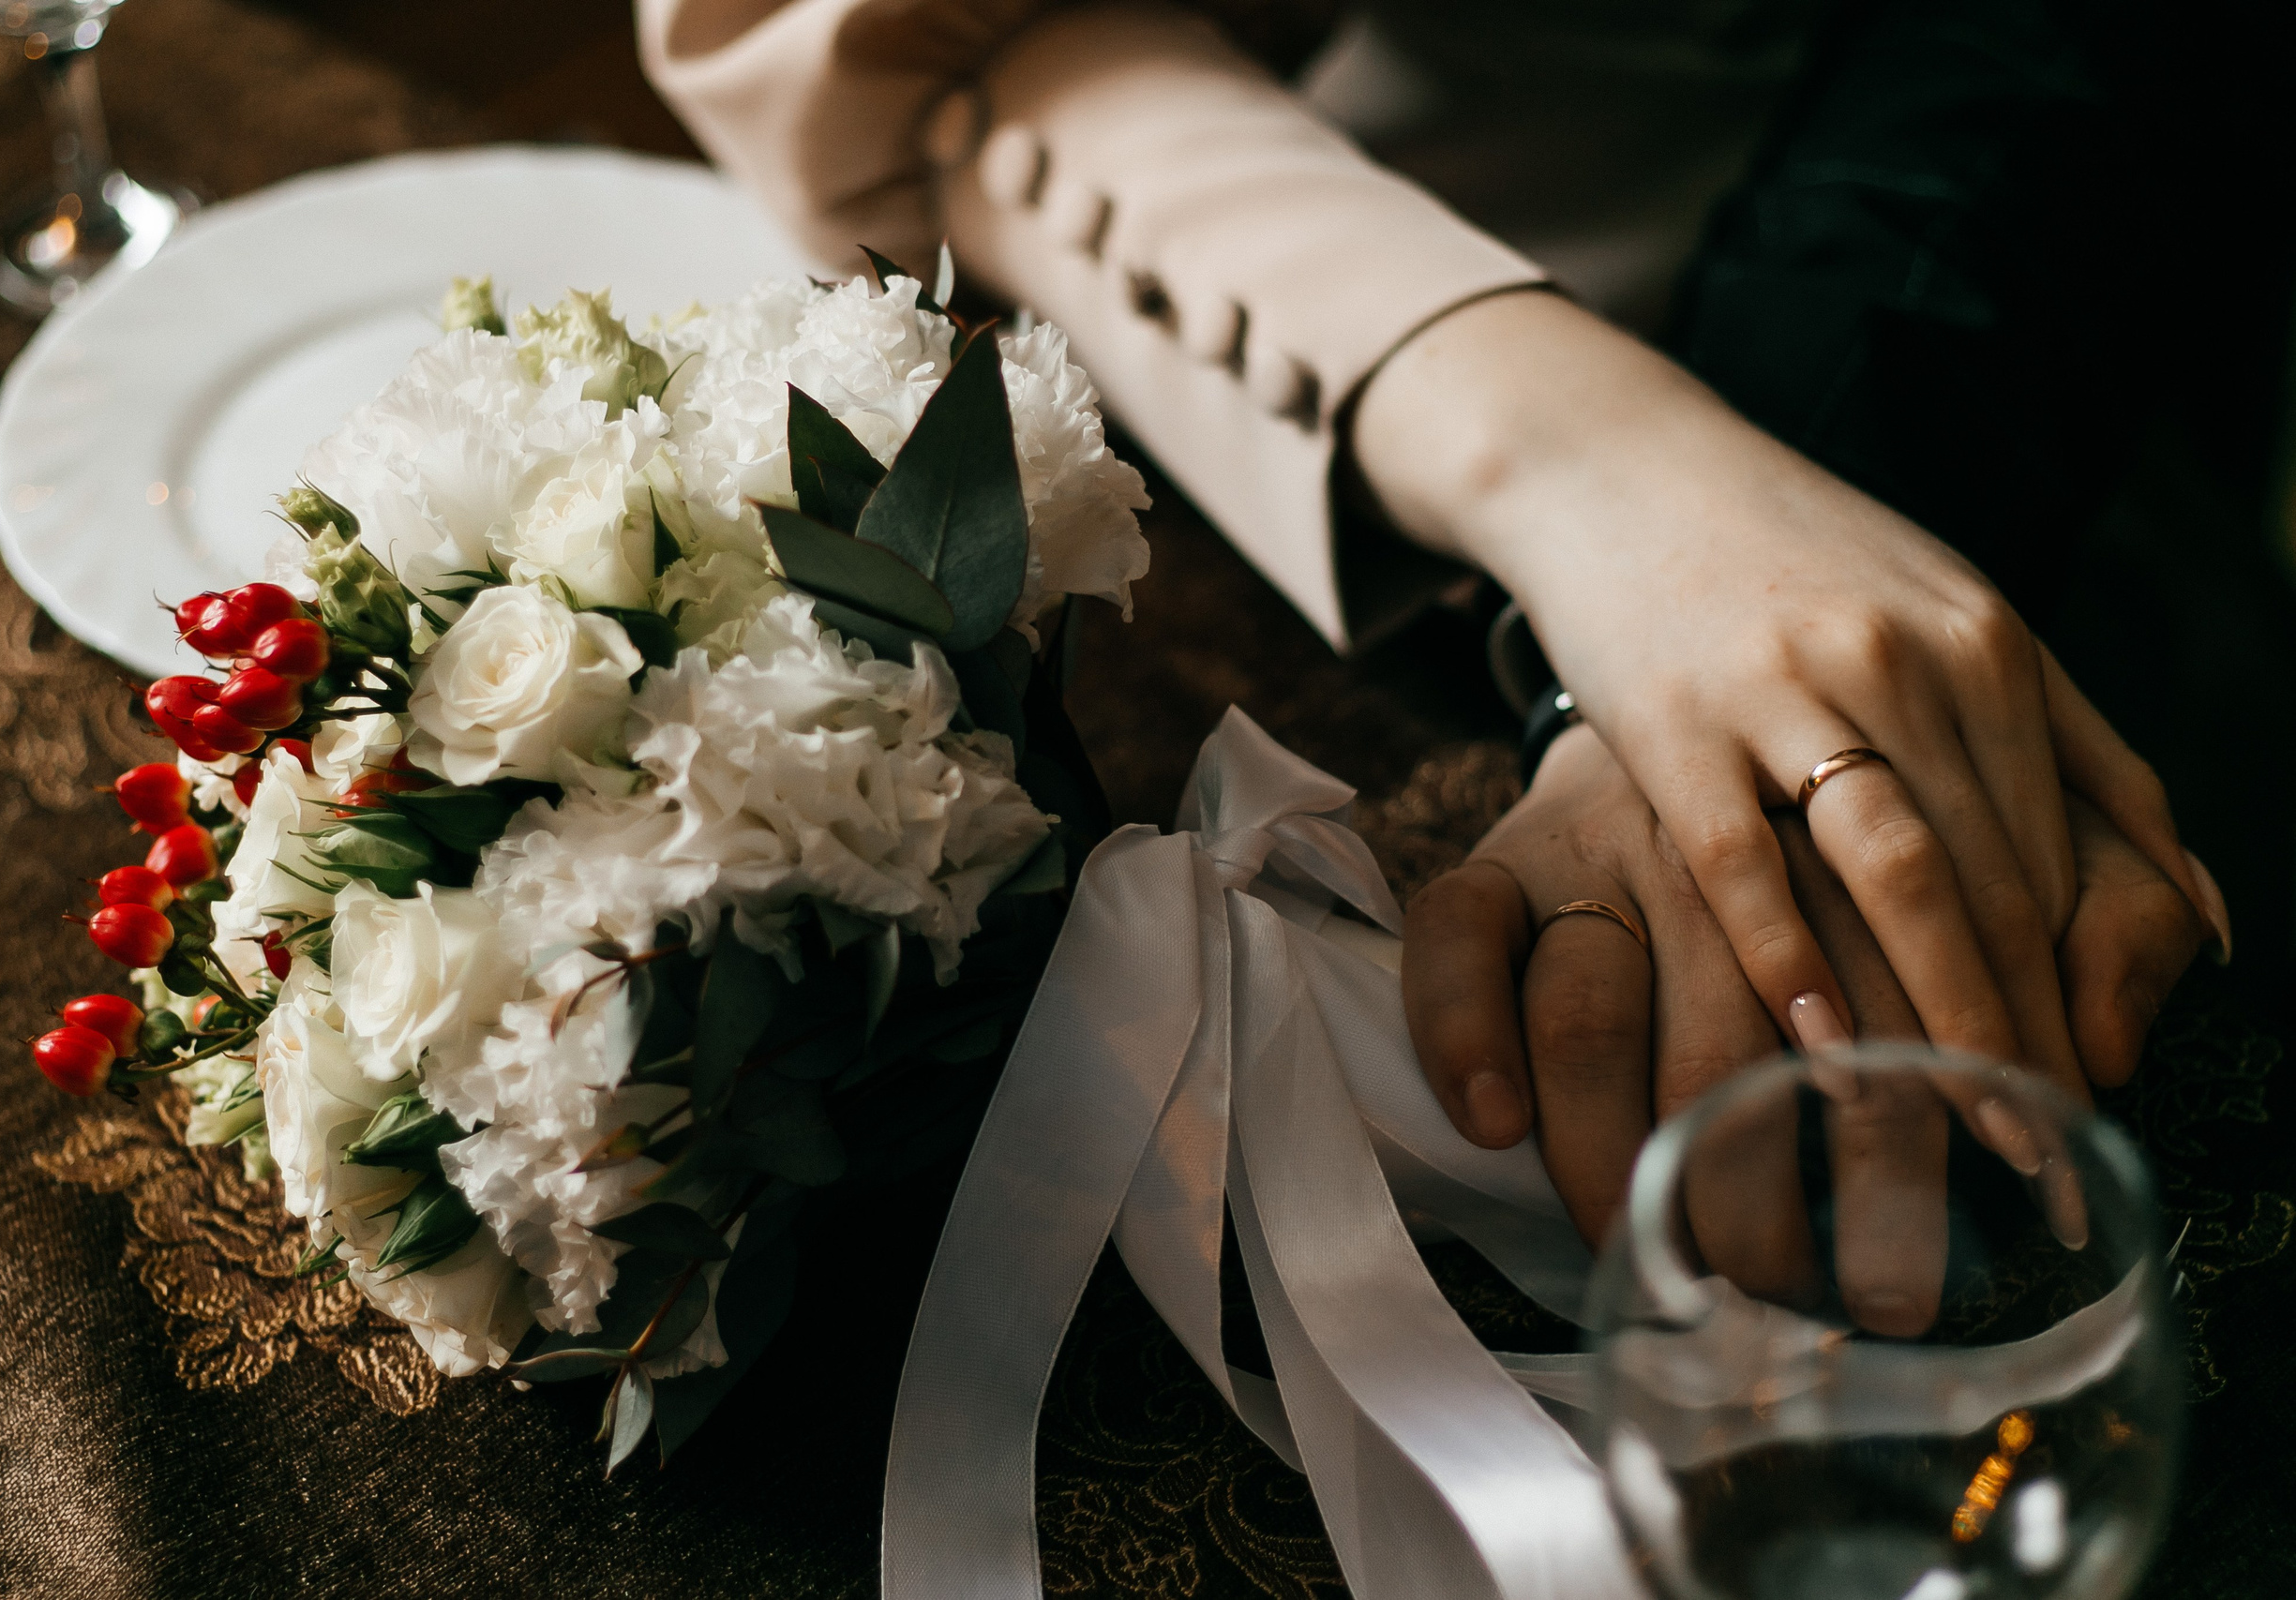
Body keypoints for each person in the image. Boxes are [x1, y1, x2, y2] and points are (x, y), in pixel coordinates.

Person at [635, 0, 2233, 1279]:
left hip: (2002, 323)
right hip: (1194, 306)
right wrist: (1593, 464)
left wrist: (1767, 609)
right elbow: (829, 37)